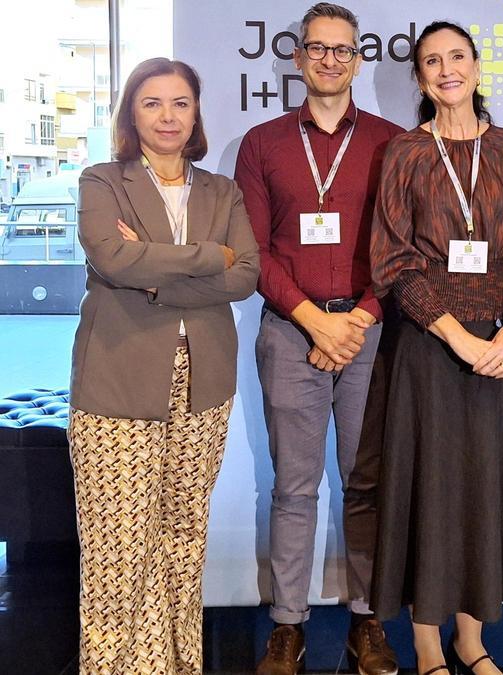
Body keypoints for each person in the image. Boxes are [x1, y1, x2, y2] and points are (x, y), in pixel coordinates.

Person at [369, 20, 503, 675]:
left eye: (456, 57)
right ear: (420, 78)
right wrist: (455, 335)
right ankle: (426, 640)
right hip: (430, 347)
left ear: (477, 68)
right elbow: (392, 261)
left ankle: (471, 639)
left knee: (484, 489)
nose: (446, 69)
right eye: (431, 61)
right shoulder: (404, 152)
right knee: (432, 488)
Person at [68, 56, 259, 673]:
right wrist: (208, 257)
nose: (168, 115)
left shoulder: (221, 190)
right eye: (152, 103)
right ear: (131, 113)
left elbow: (246, 274)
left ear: (196, 112)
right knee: (117, 551)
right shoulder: (103, 181)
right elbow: (111, 259)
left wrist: (154, 272)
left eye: (180, 102)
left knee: (182, 539)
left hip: (204, 381)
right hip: (118, 377)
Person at [233, 4, 403, 674]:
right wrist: (314, 319)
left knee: (367, 485)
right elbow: (253, 250)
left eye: (342, 50)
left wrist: (354, 320)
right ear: (299, 58)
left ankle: (367, 620)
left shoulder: (393, 142)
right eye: (317, 49)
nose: (330, 60)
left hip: (368, 334)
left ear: (359, 60)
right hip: (291, 334)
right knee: (294, 487)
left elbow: (399, 249)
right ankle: (287, 625)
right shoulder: (263, 143)